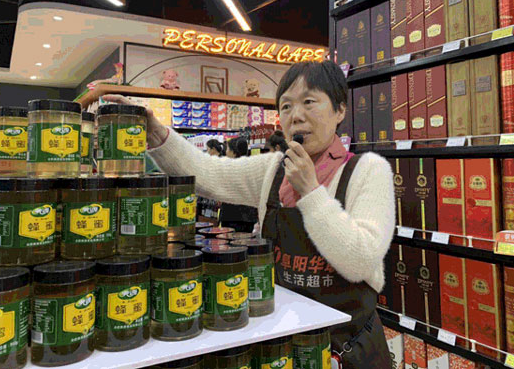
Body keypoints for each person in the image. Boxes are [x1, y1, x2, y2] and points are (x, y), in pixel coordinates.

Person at [104, 60, 394, 368]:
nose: (296, 116)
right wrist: (157, 133)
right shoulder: (272, 168)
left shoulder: (368, 170)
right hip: (284, 344)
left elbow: (361, 261)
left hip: (349, 347)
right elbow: (208, 172)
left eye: (309, 102)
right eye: (286, 106)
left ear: (340, 110)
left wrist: (311, 192)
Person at [218, 137, 259, 232]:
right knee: (247, 240)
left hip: (231, 216)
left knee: (230, 240)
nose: (226, 152)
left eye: (228, 149)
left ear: (234, 152)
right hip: (248, 216)